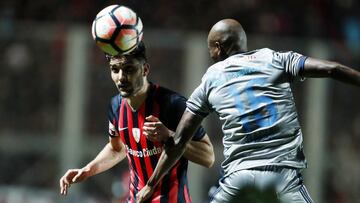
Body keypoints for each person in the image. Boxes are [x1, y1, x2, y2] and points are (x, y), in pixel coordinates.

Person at [136, 18, 360, 203]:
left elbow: (179, 143)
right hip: (282, 176)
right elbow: (333, 69)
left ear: (218, 47)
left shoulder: (211, 78)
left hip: (238, 178)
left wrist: (150, 184)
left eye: (210, 49)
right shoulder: (275, 59)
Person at [59, 41, 215, 202]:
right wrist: (88, 170)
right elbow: (116, 149)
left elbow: (208, 157)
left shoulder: (173, 104)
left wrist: (169, 136)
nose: (121, 77)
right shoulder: (115, 106)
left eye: (129, 69)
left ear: (145, 69)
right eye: (115, 70)